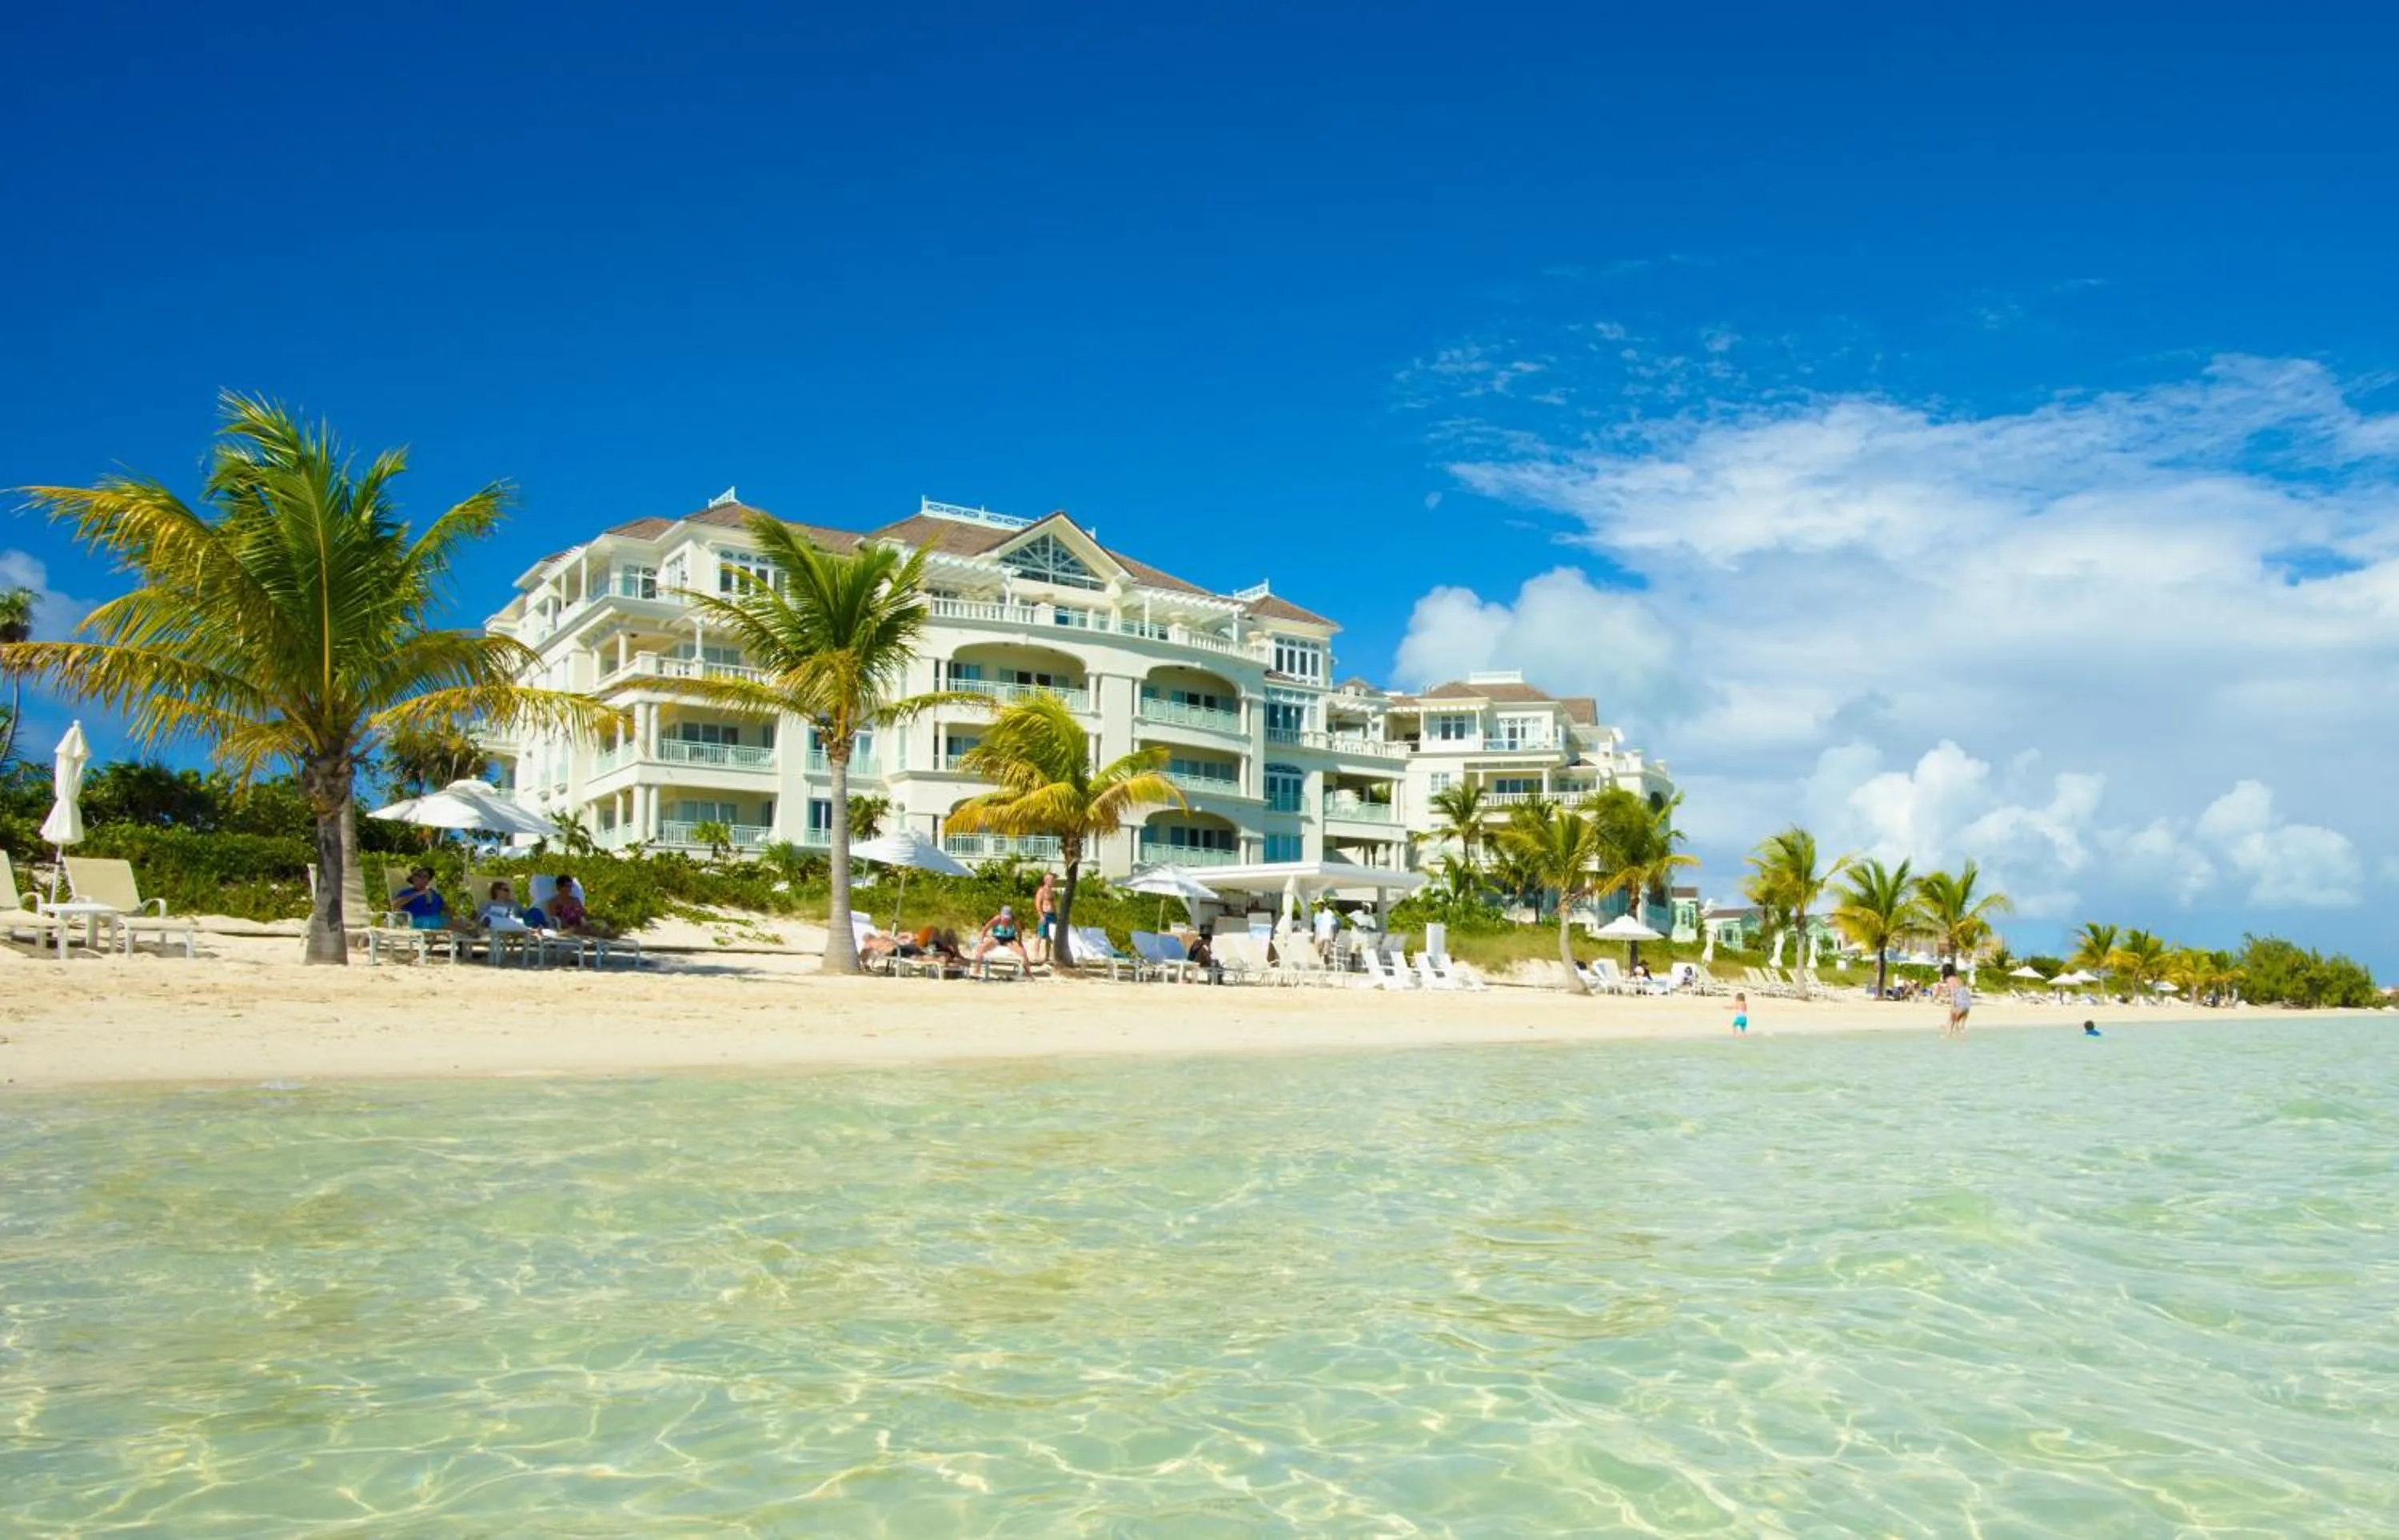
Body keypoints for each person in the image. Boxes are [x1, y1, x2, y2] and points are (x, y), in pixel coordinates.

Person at [973, 904, 1032, 975]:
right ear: (1001, 915)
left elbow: (1019, 931)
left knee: (1022, 952)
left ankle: (1028, 972)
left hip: (1010, 938)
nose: (1006, 920)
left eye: (1008, 918)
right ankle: (977, 970)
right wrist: (982, 940)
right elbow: (985, 929)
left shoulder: (1014, 921)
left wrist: (1020, 941)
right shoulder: (996, 919)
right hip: (997, 937)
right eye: (1005, 918)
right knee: (981, 948)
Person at [393, 866, 447, 930]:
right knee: (449, 924)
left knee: (457, 922)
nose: (423, 879)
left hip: (436, 920)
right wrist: (418, 893)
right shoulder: (407, 892)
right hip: (417, 922)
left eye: (426, 877)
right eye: (420, 876)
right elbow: (394, 905)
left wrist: (453, 915)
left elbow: (445, 907)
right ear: (413, 879)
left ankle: (461, 934)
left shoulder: (433, 893)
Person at [1031, 872, 1056, 964]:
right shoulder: (1042, 890)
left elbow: (1053, 904)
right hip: (1045, 914)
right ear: (1046, 880)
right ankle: (1035, 955)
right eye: (1051, 880)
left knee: (1050, 937)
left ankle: (1047, 956)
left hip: (1052, 915)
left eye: (1053, 880)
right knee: (1040, 935)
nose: (1053, 881)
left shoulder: (1052, 891)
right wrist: (1041, 915)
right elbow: (1037, 903)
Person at [1943, 963, 1973, 1038]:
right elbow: (1963, 990)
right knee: (1961, 1024)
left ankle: (1947, 1037)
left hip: (1960, 1000)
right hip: (1967, 1001)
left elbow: (1953, 993)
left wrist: (1952, 1006)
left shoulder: (1949, 979)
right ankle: (1963, 1040)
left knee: (1951, 1019)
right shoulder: (1957, 978)